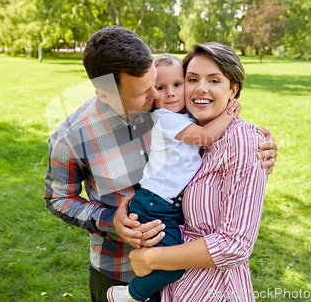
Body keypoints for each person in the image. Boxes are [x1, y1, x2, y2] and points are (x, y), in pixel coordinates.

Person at [44, 26, 278, 302]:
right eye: (144, 93)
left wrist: (261, 146)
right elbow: (58, 199)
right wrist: (110, 220)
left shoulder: (171, 107)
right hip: (118, 270)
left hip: (181, 275)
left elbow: (217, 125)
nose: (157, 95)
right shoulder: (72, 136)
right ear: (105, 94)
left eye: (156, 82)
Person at [129, 42, 268, 302]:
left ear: (233, 90)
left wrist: (150, 258)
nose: (201, 88)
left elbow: (235, 245)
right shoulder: (189, 130)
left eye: (214, 80)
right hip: (178, 289)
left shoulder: (241, 140)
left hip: (215, 290)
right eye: (193, 79)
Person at [107, 54, 241, 302]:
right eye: (161, 87)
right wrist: (230, 114)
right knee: (174, 264)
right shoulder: (165, 118)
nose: (170, 93)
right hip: (155, 203)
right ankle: (130, 294)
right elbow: (206, 137)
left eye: (178, 85)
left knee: (166, 260)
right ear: (152, 93)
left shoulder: (186, 117)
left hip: (163, 202)